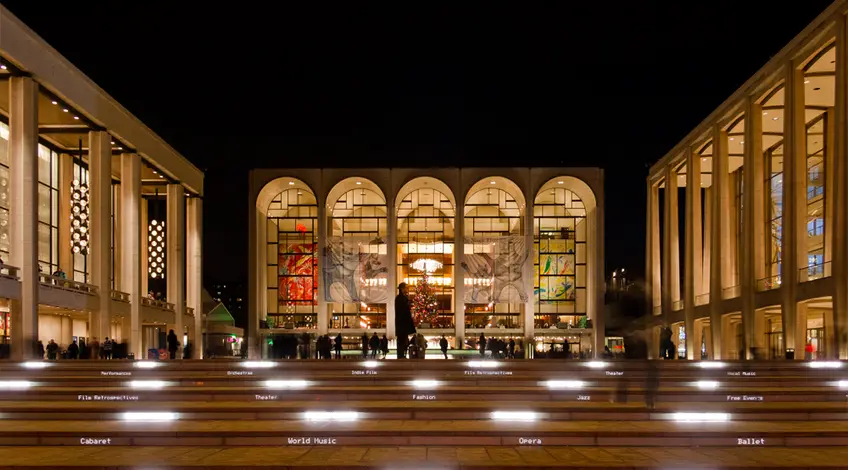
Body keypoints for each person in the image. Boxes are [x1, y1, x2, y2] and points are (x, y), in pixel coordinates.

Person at [394, 283, 416, 359]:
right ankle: (400, 355)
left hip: (403, 324)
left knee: (404, 340)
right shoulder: (400, 298)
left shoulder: (403, 298)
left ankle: (402, 355)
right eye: (406, 288)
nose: (407, 289)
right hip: (401, 324)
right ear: (402, 289)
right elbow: (403, 311)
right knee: (401, 340)